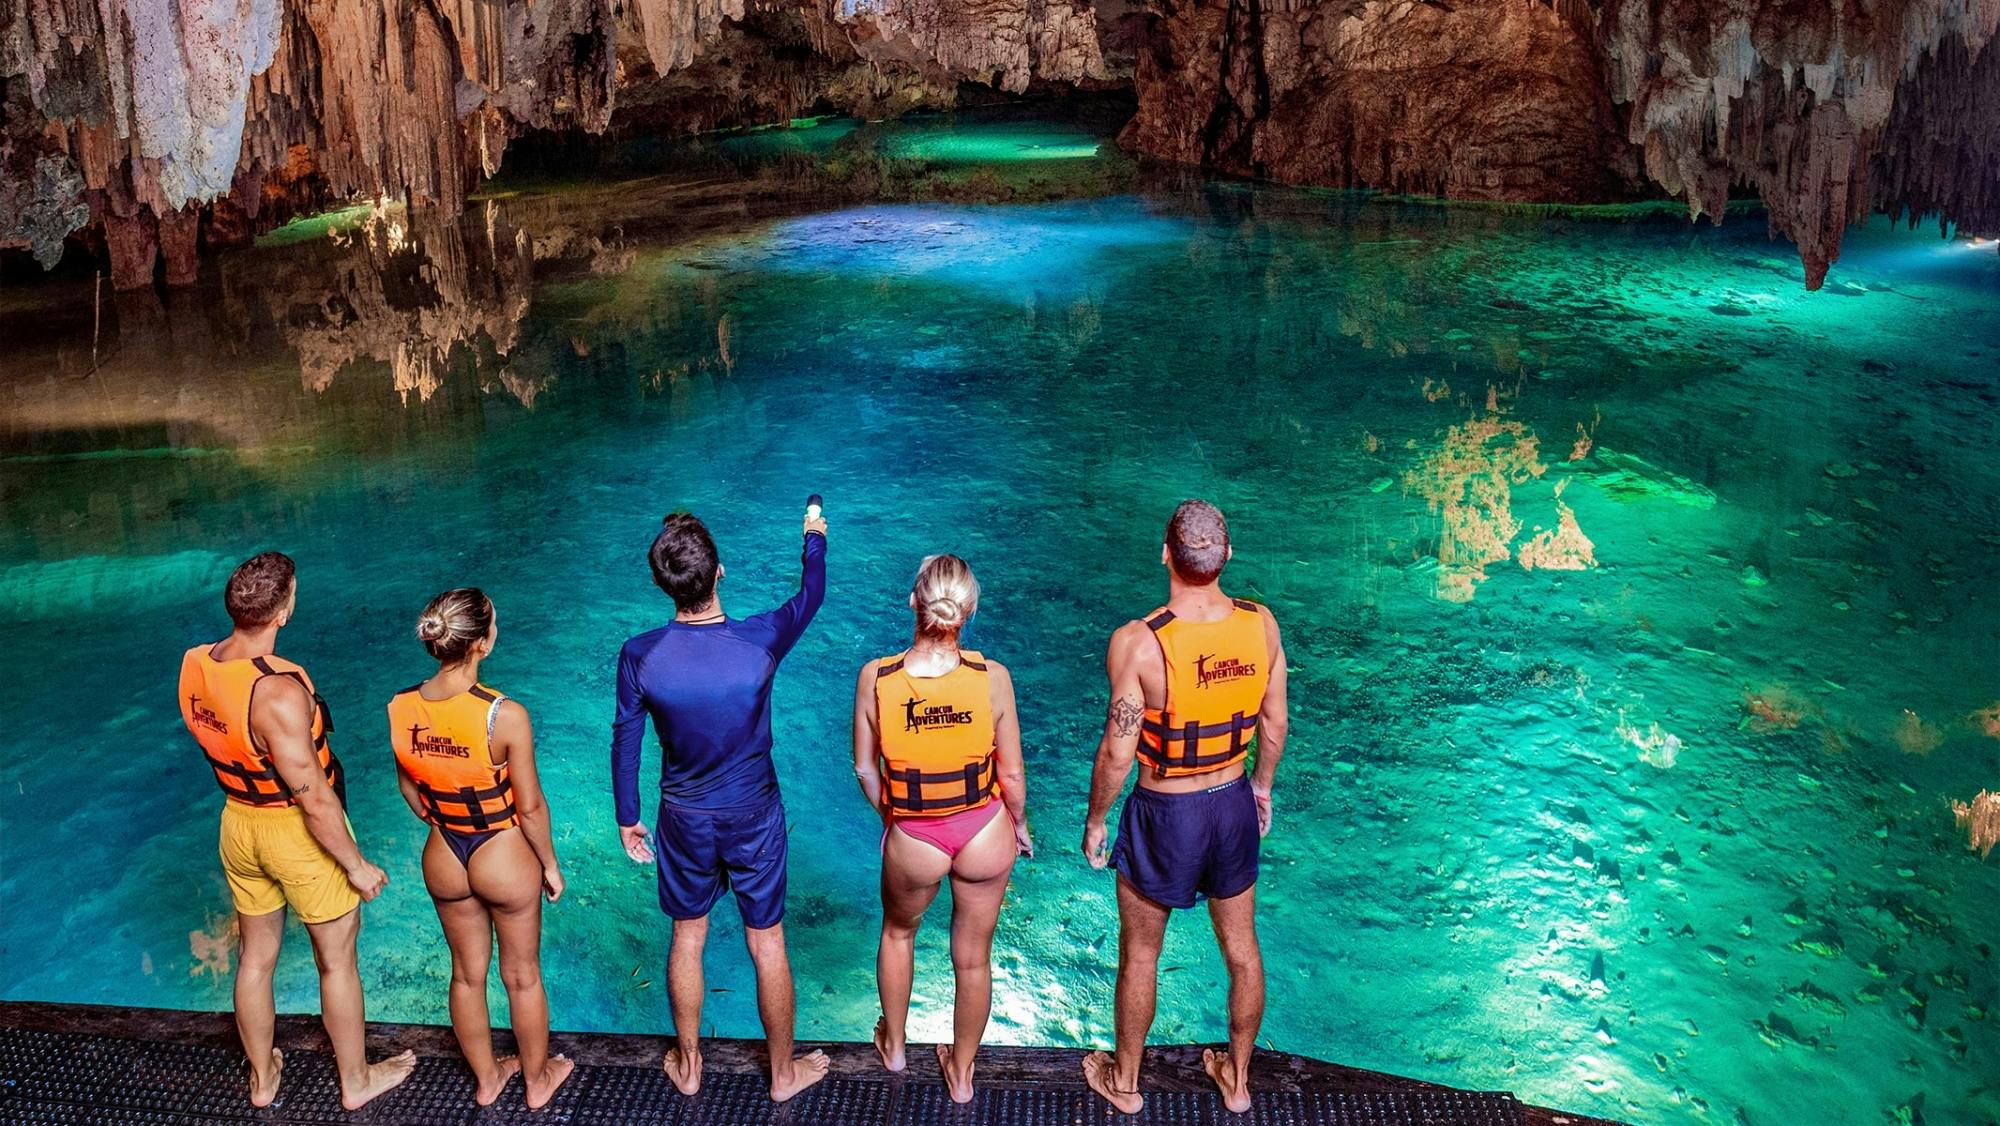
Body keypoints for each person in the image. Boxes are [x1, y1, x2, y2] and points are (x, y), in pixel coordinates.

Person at [176, 551, 415, 1111]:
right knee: (336, 961)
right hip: (293, 834)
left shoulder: (195, 663)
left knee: (256, 959)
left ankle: (263, 1078)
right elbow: (312, 797)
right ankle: (355, 1082)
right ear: (284, 611)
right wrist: (357, 864)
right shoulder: (279, 691)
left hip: (237, 822)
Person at [611, 507, 832, 1101]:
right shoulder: (760, 639)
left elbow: (626, 737)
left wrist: (627, 817)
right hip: (754, 814)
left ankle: (688, 1065)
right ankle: (782, 1075)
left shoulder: (640, 655)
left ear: (663, 585)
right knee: (768, 941)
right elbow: (812, 591)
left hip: (683, 817)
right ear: (720, 575)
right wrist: (813, 533)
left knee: (688, 936)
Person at [1079, 501, 1290, 1115]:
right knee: (1243, 950)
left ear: (1165, 553)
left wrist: (1097, 820)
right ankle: (1239, 1080)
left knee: (1141, 953)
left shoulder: (1139, 642)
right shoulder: (1262, 625)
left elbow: (1119, 751)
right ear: (1226, 556)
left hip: (1166, 813)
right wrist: (1262, 787)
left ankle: (1126, 1085)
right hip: (1231, 805)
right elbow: (1274, 723)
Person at [851, 554, 1033, 1103]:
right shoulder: (992, 678)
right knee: (974, 957)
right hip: (983, 830)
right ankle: (961, 1072)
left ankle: (897, 1046)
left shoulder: (876, 677)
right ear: (969, 612)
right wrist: (1018, 826)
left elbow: (864, 767)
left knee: (898, 933)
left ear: (913, 602)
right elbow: (1012, 773)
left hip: (915, 836)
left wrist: (896, 819)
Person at [388, 588, 573, 1109]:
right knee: (522, 975)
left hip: (444, 852)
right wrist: (550, 865)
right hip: (502, 852)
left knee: (467, 975)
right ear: (483, 644)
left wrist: (446, 819)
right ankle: (538, 1082)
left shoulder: (400, 707)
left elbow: (410, 790)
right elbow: (531, 808)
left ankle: (488, 1078)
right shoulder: (503, 714)